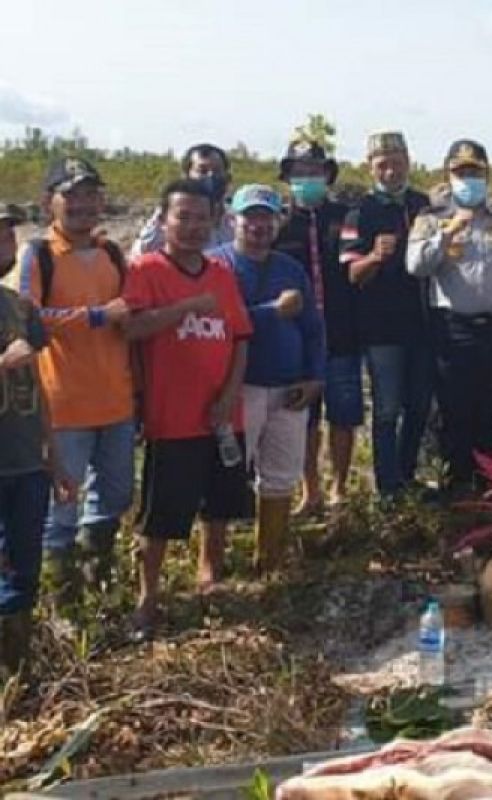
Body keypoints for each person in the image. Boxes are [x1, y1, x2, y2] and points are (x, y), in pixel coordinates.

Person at [122, 179, 253, 638]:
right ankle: (147, 597)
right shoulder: (145, 269)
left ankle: (209, 575)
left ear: (215, 221)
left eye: (202, 218)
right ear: (163, 220)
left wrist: (229, 396)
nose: (193, 227)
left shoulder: (221, 273)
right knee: (160, 514)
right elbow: (132, 329)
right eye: (184, 217)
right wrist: (187, 307)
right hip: (170, 416)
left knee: (219, 504)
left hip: (221, 415)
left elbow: (239, 339)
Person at [16, 158, 135, 612]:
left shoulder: (111, 253)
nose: (84, 205)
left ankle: (97, 586)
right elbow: (29, 319)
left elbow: (131, 315)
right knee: (60, 510)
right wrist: (97, 317)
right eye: (73, 195)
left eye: (91, 194)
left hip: (117, 401)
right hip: (64, 406)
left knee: (115, 499)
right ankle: (62, 607)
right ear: (50, 202)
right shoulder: (39, 254)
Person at [408, 139, 492, 497]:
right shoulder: (430, 220)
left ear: (487, 175)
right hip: (451, 330)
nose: (468, 179)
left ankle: (491, 489)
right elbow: (415, 266)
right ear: (448, 176)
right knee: (453, 413)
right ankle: (457, 490)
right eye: (460, 172)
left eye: (475, 172)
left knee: (491, 412)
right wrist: (447, 233)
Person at [210, 185, 324, 573]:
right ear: (232, 219)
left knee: (280, 477)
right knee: (226, 476)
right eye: (251, 216)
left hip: (289, 388)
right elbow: (220, 321)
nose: (258, 225)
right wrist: (271, 312)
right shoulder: (216, 266)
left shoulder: (291, 269)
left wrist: (315, 378)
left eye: (267, 217)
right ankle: (212, 565)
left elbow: (313, 329)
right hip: (239, 388)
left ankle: (269, 561)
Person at [340, 132, 433, 500]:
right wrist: (375, 258)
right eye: (382, 163)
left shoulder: (423, 205)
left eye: (397, 161)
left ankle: (408, 477)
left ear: (408, 161)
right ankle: (387, 487)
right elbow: (351, 274)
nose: (391, 170)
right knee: (386, 409)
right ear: (371, 167)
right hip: (381, 330)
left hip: (423, 325)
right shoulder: (358, 212)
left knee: (420, 407)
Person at [0, 204, 71, 676]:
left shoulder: (19, 309)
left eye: (7, 236)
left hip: (27, 463)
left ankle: (17, 679)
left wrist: (55, 456)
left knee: (23, 570)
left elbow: (38, 390)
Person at [274, 140, 357, 514]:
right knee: (305, 417)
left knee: (344, 412)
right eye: (299, 173)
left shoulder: (346, 217)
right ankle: (311, 490)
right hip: (297, 339)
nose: (307, 179)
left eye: (314, 171)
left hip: (342, 332)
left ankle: (340, 486)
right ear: (289, 178)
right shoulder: (277, 222)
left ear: (327, 175)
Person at [131, 143, 235, 257]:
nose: (211, 176)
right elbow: (142, 253)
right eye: (202, 171)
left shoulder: (236, 219)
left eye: (217, 170)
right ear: (187, 176)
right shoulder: (170, 216)